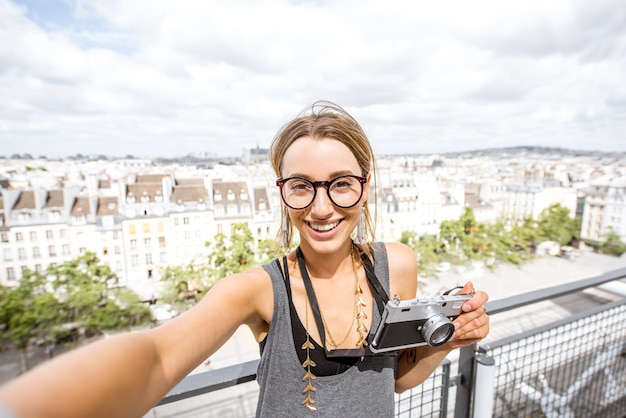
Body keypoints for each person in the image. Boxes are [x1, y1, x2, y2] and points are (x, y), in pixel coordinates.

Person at [0, 101, 489, 418]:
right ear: (282, 193)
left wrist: (446, 343)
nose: (321, 208)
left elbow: (394, 382)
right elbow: (155, 357)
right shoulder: (258, 290)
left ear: (365, 186)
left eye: (340, 183)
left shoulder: (396, 265)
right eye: (302, 186)